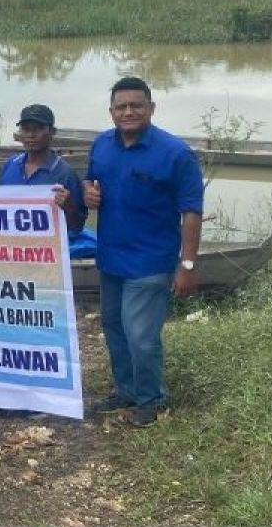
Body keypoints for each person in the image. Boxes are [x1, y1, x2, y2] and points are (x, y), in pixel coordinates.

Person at [84, 77, 203, 428]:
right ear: (111, 111)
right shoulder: (101, 146)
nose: (128, 112)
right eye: (121, 106)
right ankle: (126, 390)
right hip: (110, 257)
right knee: (114, 327)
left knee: (140, 336)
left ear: (151, 108)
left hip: (150, 261)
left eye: (136, 105)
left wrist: (187, 263)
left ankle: (151, 399)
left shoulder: (175, 153)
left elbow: (191, 211)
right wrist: (88, 193)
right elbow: (91, 183)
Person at [0, 104, 86, 235]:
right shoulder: (10, 165)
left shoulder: (65, 174)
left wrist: (68, 207)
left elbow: (77, 226)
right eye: (25, 129)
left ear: (52, 132)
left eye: (38, 129)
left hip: (46, 251)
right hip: (12, 248)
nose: (31, 135)